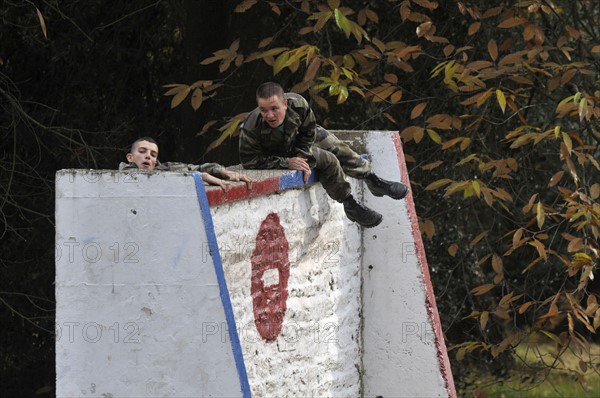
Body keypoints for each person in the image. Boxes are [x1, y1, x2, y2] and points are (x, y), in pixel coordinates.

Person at [239, 82, 409, 228]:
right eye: (264, 110)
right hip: (278, 153)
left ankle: (372, 180)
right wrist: (286, 162)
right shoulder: (251, 127)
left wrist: (302, 155)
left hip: (298, 142)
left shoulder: (298, 104)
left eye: (274, 108)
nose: (269, 115)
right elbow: (249, 161)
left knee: (332, 143)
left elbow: (308, 131)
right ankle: (350, 205)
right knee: (328, 160)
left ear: (285, 103)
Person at [120, 137, 253, 192]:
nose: (148, 156)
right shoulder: (122, 174)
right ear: (130, 157)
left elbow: (194, 168)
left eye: (153, 154)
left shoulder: (163, 168)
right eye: (142, 152)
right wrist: (200, 177)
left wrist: (224, 172)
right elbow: (139, 177)